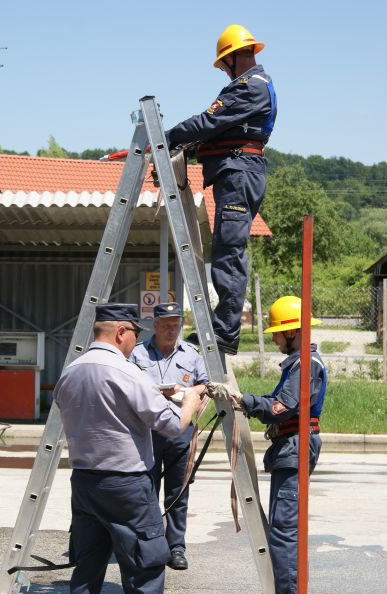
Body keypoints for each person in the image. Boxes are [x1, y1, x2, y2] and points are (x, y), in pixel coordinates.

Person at [53, 303, 202, 594]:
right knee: (144, 574)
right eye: (135, 334)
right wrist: (190, 403)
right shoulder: (128, 372)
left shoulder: (70, 371)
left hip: (85, 484)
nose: (136, 343)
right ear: (121, 332)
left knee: (86, 575)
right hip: (128, 486)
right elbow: (171, 425)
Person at [207, 296, 327, 594]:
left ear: (293, 331)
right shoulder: (300, 364)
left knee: (285, 533)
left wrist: (243, 400)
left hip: (294, 449)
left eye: (277, 332)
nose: (273, 338)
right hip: (289, 449)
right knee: (281, 530)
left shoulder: (307, 365)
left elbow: (282, 407)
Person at [164, 24, 277, 356]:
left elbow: (206, 122)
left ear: (230, 59)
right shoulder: (252, 87)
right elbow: (218, 133)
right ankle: (223, 327)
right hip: (237, 172)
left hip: (238, 174)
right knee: (227, 250)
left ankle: (225, 331)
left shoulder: (248, 87)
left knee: (228, 251)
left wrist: (166, 136)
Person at [130, 302, 208, 570]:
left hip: (180, 430)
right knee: (145, 489)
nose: (172, 330)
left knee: (179, 492)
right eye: (166, 326)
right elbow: (126, 383)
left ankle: (176, 547)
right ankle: (149, 544)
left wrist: (188, 392)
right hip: (146, 431)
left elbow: (205, 385)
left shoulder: (191, 354)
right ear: (156, 325)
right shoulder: (138, 354)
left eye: (176, 326)